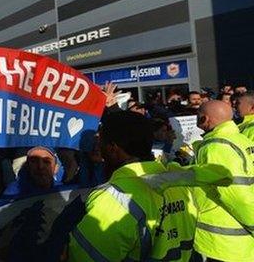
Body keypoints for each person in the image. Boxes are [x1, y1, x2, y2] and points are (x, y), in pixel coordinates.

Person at [67, 111, 199, 261]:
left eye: (100, 141)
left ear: (112, 147)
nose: (98, 148)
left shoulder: (114, 197)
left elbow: (84, 257)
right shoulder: (180, 184)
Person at [193, 100, 254, 261]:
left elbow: (237, 196)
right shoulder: (241, 140)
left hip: (220, 244)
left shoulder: (216, 146)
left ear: (204, 119)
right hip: (240, 241)